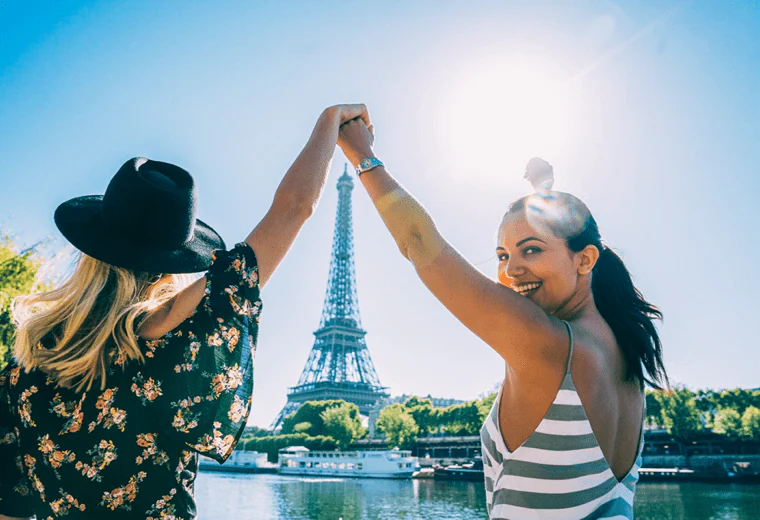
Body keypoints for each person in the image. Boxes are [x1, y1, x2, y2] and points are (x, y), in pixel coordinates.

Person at [0, 104, 370, 520]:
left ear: (91, 251)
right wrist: (331, 122)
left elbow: (10, 509)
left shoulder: (21, 369)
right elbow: (294, 208)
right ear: (172, 262)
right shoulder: (171, 332)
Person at [337, 115, 667, 519]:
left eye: (530, 250)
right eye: (502, 256)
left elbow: (419, 241)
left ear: (585, 260)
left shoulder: (548, 344)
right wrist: (543, 192)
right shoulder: (626, 355)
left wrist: (362, 154)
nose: (510, 272)